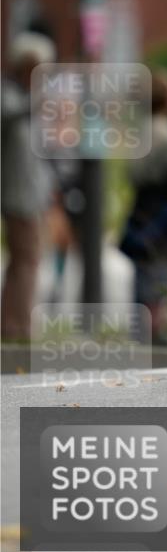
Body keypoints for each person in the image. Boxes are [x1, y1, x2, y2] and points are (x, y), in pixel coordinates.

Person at [120, 68, 167, 343]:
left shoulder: (140, 131)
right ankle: (153, 327)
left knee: (143, 267)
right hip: (163, 208)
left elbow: (133, 173)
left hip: (142, 205)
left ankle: (141, 327)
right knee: (159, 267)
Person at [1, 32, 58, 339]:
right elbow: (12, 113)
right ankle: (18, 325)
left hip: (33, 195)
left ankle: (12, 322)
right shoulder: (10, 96)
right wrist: (41, 95)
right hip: (17, 196)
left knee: (24, 260)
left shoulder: (25, 101)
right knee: (27, 260)